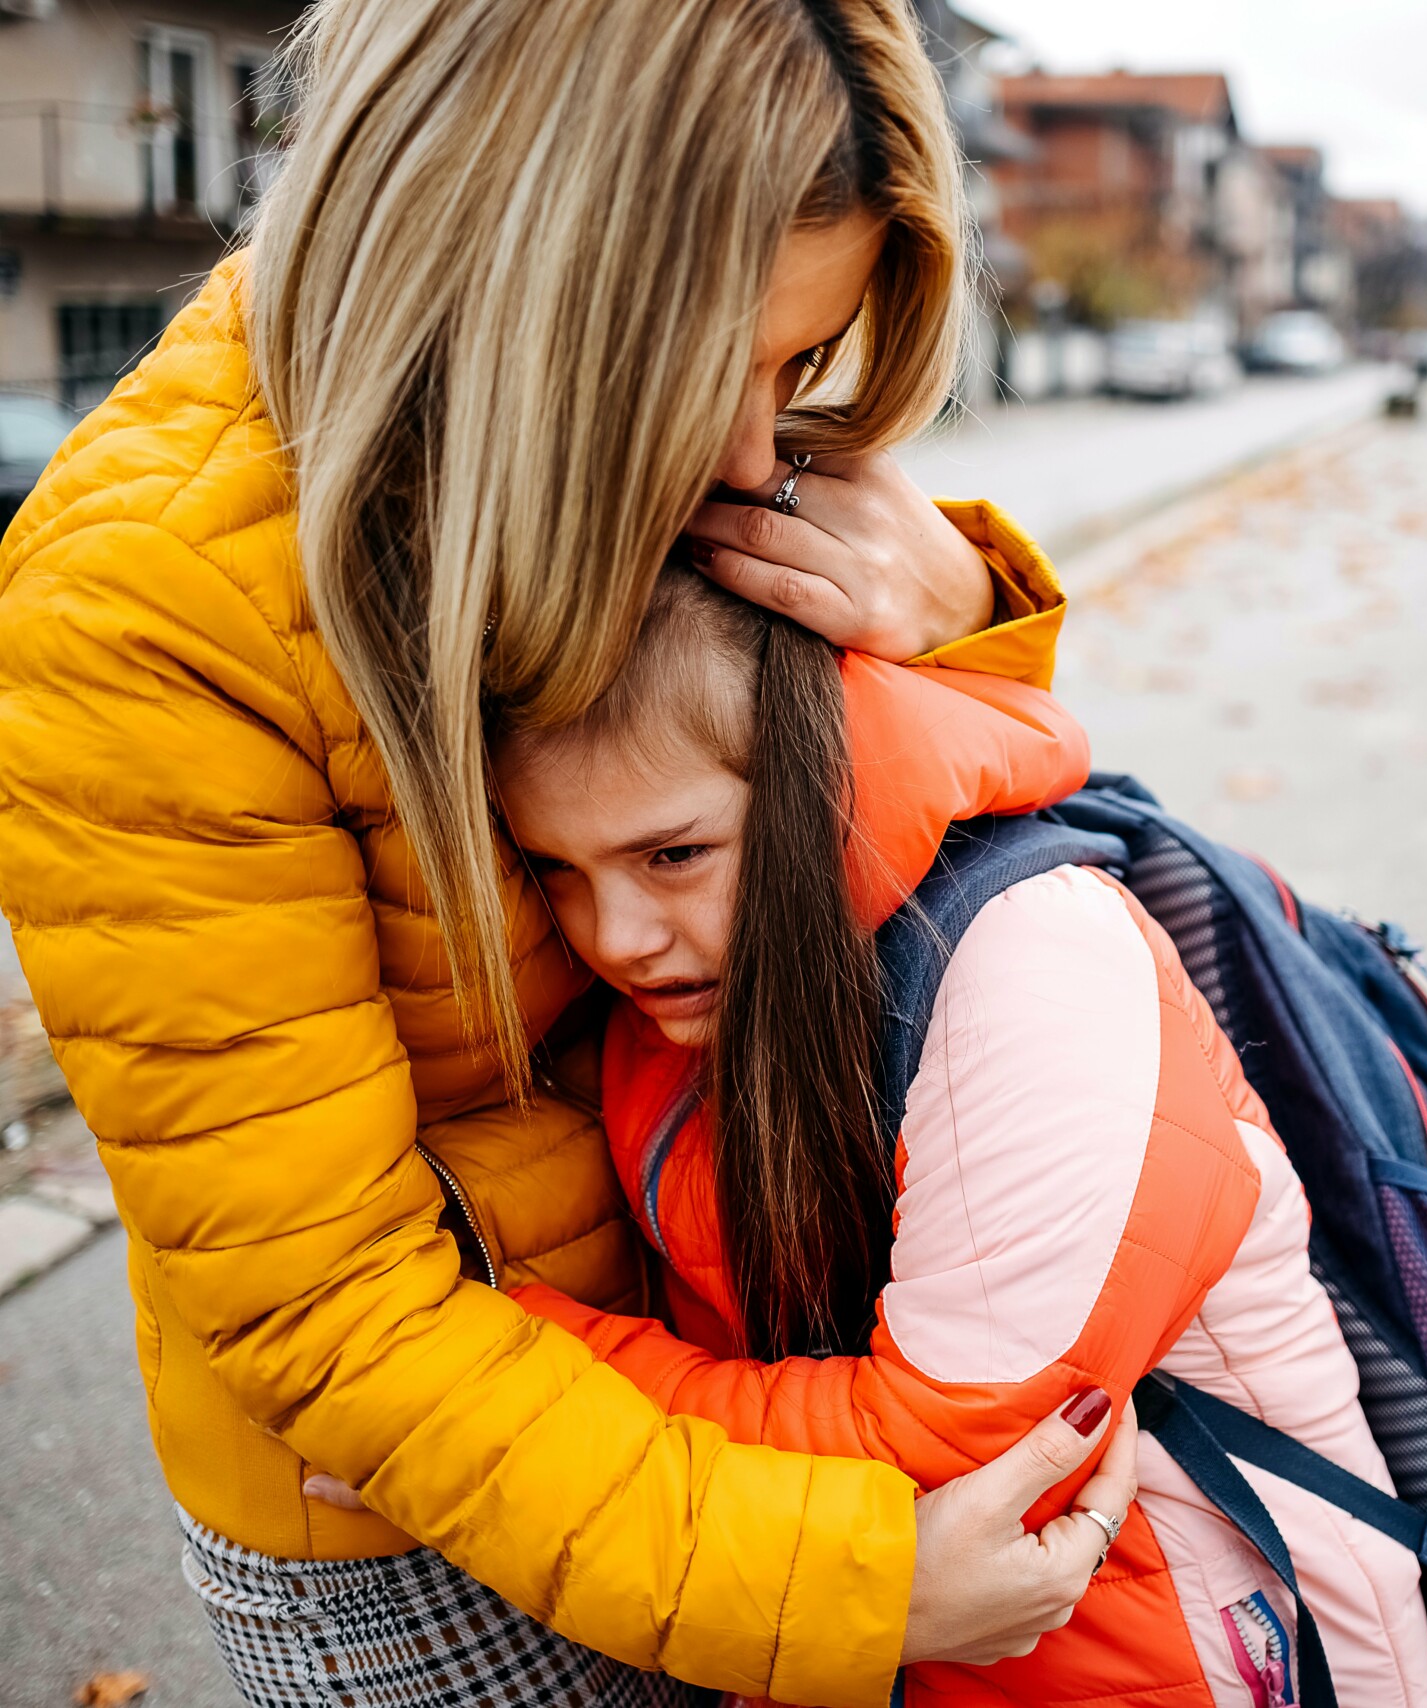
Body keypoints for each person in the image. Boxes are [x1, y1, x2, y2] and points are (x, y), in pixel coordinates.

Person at [0, 1, 1129, 1702]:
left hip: (718, 1371)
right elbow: (332, 1308)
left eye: (795, 372)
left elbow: (896, 866)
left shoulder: (608, 456)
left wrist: (950, 612)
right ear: (530, 275)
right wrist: (849, 1584)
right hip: (436, 1532)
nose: (758, 457)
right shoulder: (145, 604)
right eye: (720, 371)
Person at [488, 568, 1427, 1708]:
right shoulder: (688, 998)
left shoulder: (1033, 963)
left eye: (673, 855)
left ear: (812, 780)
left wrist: (483, 1396)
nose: (618, 937)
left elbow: (955, 1444)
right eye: (556, 869)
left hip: (1208, 1648)